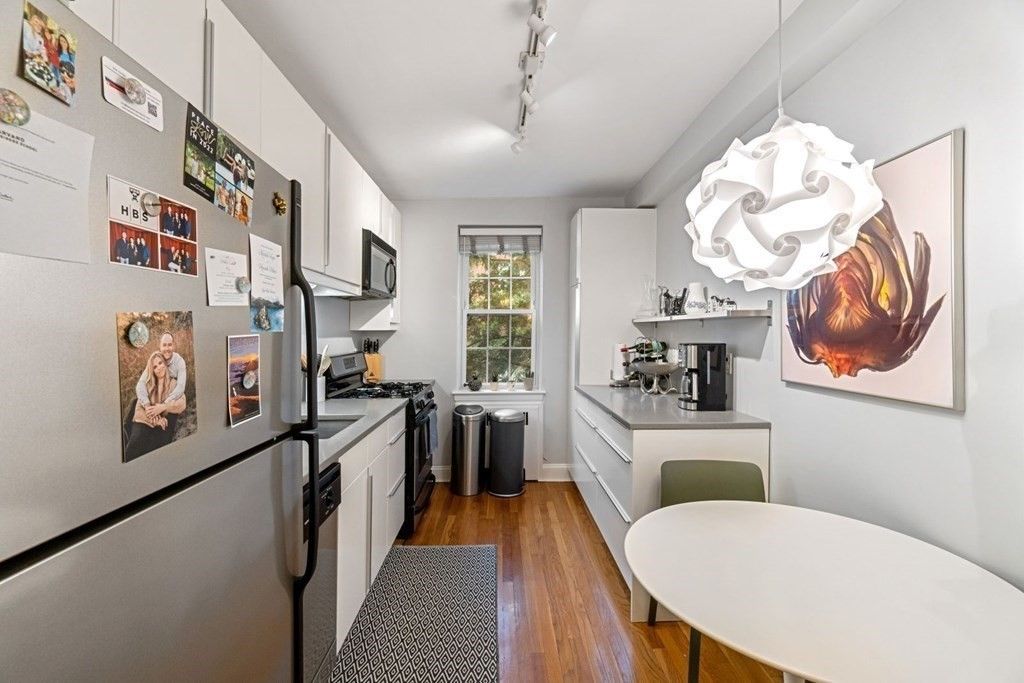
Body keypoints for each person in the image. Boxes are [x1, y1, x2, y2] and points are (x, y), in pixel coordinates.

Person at [125, 351, 186, 460]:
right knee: (135, 443)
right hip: (146, 421)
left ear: (165, 364)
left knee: (155, 449)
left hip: (164, 422)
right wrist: (155, 420)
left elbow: (182, 403)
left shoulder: (173, 383)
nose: (159, 368)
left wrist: (163, 407)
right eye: (155, 367)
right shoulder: (148, 385)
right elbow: (139, 410)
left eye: (160, 363)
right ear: (152, 370)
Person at [135, 332, 188, 416]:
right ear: (160, 346)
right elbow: (141, 383)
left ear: (174, 346)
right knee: (137, 401)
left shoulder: (179, 361)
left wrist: (164, 405)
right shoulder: (155, 359)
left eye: (169, 345)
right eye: (164, 345)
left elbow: (180, 387)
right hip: (156, 394)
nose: (167, 348)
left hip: (170, 396)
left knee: (174, 409)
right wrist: (147, 405)